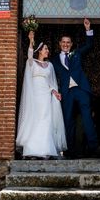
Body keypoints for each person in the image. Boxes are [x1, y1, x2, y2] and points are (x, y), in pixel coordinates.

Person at [16, 30, 67, 159]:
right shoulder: (31, 63)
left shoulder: (49, 65)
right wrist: (31, 41)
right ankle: (32, 150)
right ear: (39, 50)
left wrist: (54, 92)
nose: (47, 51)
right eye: (45, 48)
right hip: (35, 96)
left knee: (46, 121)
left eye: (47, 49)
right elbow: (29, 54)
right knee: (35, 120)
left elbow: (52, 82)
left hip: (46, 95)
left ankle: (45, 150)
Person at [52, 18, 99, 157]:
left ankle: (93, 147)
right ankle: (70, 150)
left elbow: (89, 45)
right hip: (66, 93)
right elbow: (49, 75)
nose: (66, 44)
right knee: (68, 121)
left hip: (81, 89)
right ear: (60, 44)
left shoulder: (77, 53)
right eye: (63, 42)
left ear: (71, 44)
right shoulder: (54, 60)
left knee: (87, 118)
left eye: (68, 42)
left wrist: (87, 29)